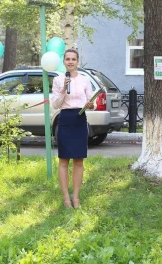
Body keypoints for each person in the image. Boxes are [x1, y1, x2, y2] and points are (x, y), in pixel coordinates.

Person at [51, 49, 95, 208]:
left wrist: (91, 105)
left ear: (78, 61)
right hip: (65, 119)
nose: (70, 62)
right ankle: (66, 199)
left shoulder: (85, 80)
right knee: (64, 159)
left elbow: (92, 103)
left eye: (73, 59)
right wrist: (63, 88)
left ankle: (76, 197)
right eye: (68, 59)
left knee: (78, 159)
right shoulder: (58, 80)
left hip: (80, 119)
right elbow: (55, 104)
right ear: (64, 62)